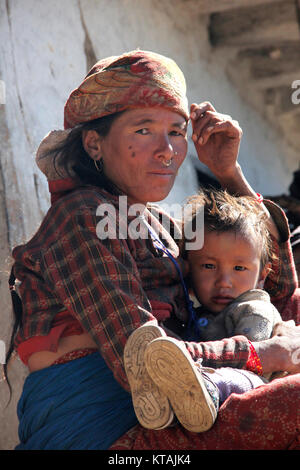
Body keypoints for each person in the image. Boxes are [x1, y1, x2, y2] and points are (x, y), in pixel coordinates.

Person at [4, 50, 300, 450]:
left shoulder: (159, 226)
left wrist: (228, 173)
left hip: (180, 415)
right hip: (107, 434)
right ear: (94, 143)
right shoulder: (82, 216)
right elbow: (143, 362)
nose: (167, 150)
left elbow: (273, 286)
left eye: (177, 132)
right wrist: (259, 353)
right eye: (144, 130)